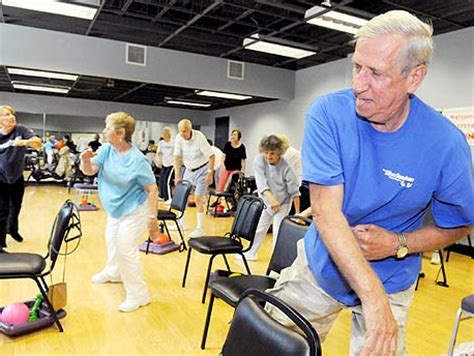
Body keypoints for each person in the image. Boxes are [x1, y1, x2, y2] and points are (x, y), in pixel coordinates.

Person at [266, 10, 473, 356]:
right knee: (267, 346)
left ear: (414, 77)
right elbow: (326, 211)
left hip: (392, 281)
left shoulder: (446, 145)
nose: (359, 85)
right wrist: (371, 298)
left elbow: (461, 223)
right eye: (357, 67)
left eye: (376, 73)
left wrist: (398, 243)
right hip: (321, 268)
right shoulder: (328, 114)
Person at [80, 112, 160, 312]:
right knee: (112, 241)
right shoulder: (107, 149)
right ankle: (114, 272)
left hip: (135, 210)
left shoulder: (137, 160)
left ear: (121, 132)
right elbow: (89, 171)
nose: (104, 131)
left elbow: (153, 189)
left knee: (126, 249)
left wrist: (153, 218)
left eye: (107, 128)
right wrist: (85, 160)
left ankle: (139, 295)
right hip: (115, 209)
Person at [240, 134, 300, 261]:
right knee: (260, 227)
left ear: (279, 153)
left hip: (283, 202)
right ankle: (251, 252)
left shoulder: (286, 168)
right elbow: (261, 183)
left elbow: (294, 192)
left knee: (278, 231)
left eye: (272, 153)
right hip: (268, 200)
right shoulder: (259, 160)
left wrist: (298, 214)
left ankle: (276, 260)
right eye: (266, 152)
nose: (268, 156)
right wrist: (271, 199)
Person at [0, 105, 42, 251]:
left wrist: (24, 142)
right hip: (0, 177)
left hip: (16, 176)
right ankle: (0, 242)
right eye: (6, 115)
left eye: (12, 114)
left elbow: (38, 143)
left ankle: (12, 229)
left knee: (16, 206)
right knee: (2, 209)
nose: (11, 117)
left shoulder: (21, 129)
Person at [174, 118, 215, 238]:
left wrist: (209, 173)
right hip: (189, 169)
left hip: (202, 169)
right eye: (181, 131)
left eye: (185, 131)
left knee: (198, 198)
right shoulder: (178, 138)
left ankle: (200, 228)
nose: (183, 134)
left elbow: (211, 156)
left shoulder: (199, 137)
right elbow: (176, 157)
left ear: (190, 129)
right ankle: (182, 223)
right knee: (184, 197)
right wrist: (177, 175)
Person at [154, 127, 174, 204]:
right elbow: (158, 153)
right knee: (162, 180)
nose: (165, 135)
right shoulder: (161, 143)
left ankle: (169, 198)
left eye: (167, 133)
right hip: (164, 164)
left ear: (170, 134)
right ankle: (162, 195)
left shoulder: (174, 143)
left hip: (171, 164)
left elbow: (177, 154)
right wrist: (158, 161)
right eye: (164, 133)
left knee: (167, 181)